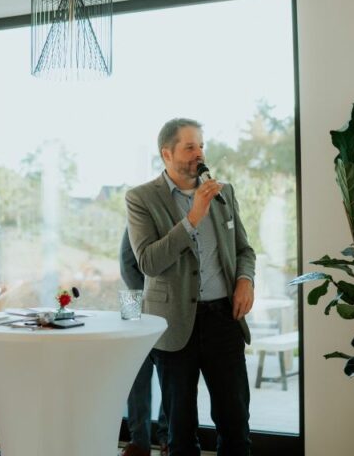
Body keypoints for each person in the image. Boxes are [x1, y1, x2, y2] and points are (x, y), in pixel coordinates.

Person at [126, 118, 256, 456]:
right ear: (166, 153)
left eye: (201, 145)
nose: (199, 152)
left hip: (223, 320)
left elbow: (244, 249)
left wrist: (246, 280)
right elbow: (149, 263)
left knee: (236, 423)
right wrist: (193, 216)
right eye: (189, 146)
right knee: (180, 434)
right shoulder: (140, 198)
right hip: (173, 325)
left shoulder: (224, 192)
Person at [120, 227, 169, 456]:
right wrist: (146, 297)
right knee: (136, 374)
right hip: (134, 300)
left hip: (173, 302)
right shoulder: (138, 209)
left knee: (173, 376)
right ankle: (139, 442)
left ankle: (169, 438)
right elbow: (126, 262)